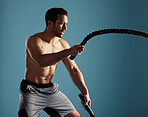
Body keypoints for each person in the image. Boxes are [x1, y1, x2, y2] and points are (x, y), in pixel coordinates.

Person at [18, 8, 91, 117]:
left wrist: (85, 92)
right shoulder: (33, 40)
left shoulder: (63, 44)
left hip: (50, 90)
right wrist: (69, 51)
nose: (65, 28)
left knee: (74, 116)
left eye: (66, 24)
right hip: (31, 91)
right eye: (61, 24)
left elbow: (73, 70)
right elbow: (41, 61)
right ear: (50, 23)